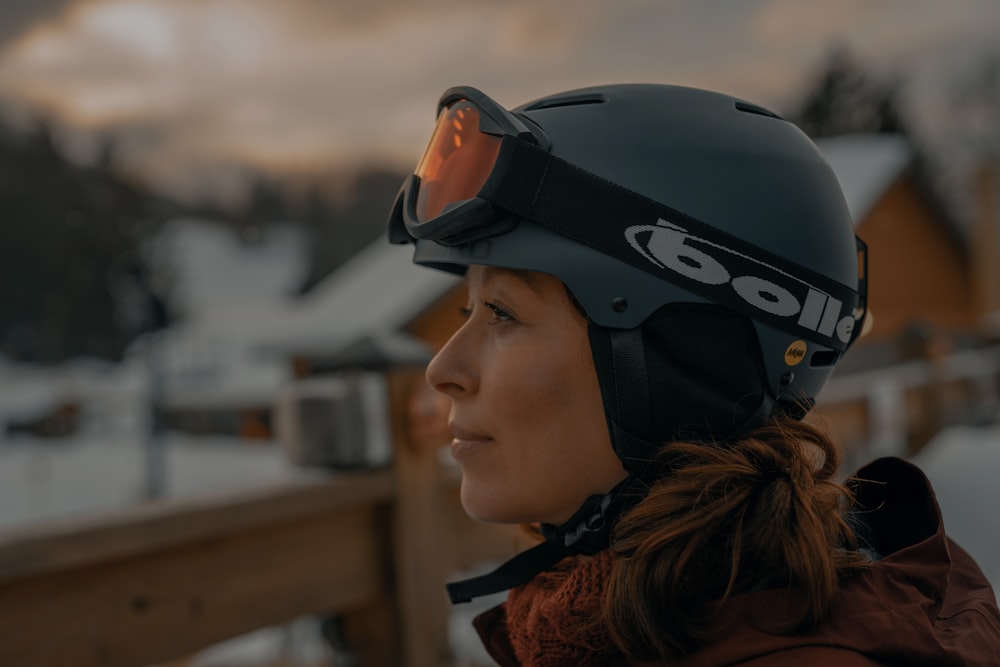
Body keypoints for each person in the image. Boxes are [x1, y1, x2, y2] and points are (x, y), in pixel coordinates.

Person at [387, 83, 1000, 666]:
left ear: (681, 357)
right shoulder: (611, 627)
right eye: (468, 310)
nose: (443, 369)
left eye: (501, 313)